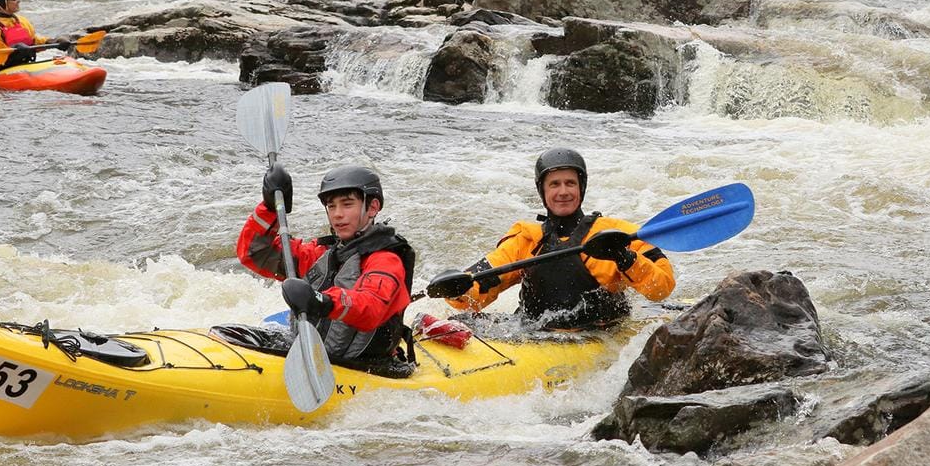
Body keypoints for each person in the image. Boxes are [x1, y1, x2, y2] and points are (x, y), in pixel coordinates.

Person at [433, 148, 675, 330]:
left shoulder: (616, 233)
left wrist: (625, 257)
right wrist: (458, 290)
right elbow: (477, 291)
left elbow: (661, 289)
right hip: (534, 331)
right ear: (543, 191)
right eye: (554, 184)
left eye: (570, 183)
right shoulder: (526, 239)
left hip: (598, 332)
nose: (563, 192)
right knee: (459, 322)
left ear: (581, 188)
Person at [236, 163, 417, 375]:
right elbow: (253, 254)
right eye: (331, 206)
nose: (337, 214)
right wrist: (269, 206)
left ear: (373, 207)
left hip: (363, 367)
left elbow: (371, 308)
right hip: (319, 354)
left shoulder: (385, 260)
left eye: (347, 204)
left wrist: (322, 301)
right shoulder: (322, 253)